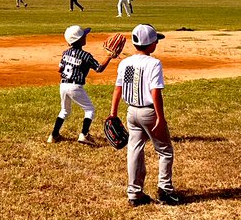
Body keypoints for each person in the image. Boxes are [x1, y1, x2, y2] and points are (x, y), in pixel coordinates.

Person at [110, 24, 180, 206]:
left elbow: (119, 88)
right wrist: (160, 117)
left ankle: (134, 193)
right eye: (155, 40)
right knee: (165, 151)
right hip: (149, 112)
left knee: (134, 150)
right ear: (151, 44)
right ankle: (165, 190)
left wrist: (113, 113)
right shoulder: (154, 63)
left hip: (131, 112)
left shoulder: (126, 63)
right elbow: (155, 92)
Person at [48, 25, 119, 145]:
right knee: (90, 110)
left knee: (64, 110)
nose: (86, 36)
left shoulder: (65, 53)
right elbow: (99, 68)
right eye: (84, 35)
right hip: (75, 87)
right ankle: (84, 134)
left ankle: (53, 135)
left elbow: (60, 69)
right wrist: (109, 57)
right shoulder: (86, 56)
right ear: (79, 40)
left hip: (63, 85)